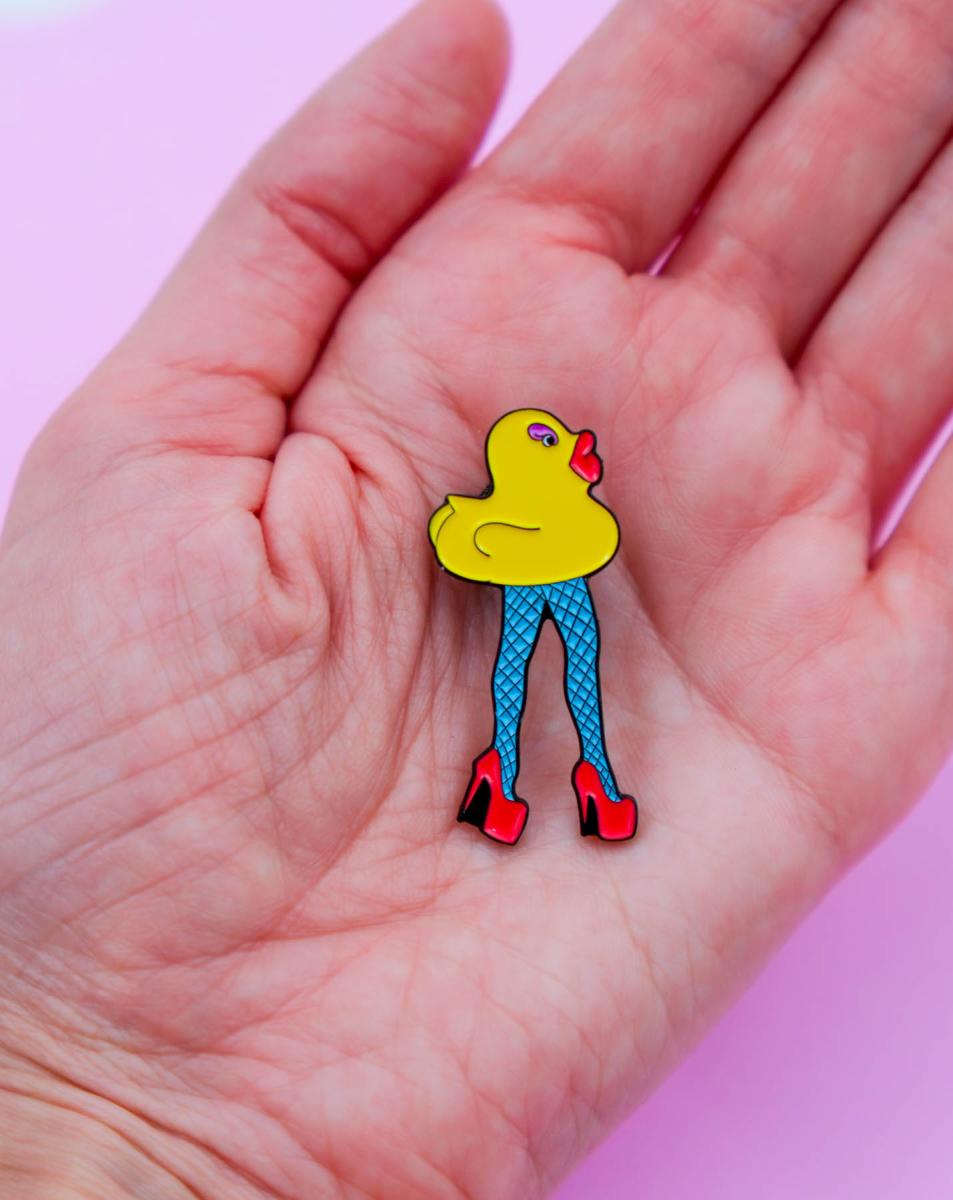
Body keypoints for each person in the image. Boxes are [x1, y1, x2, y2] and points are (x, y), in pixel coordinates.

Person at [2, 0, 952, 1195]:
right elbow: (500, 512)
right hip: (542, 583)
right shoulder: (525, 486)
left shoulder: (538, 486)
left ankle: (547, 779)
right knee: (547, 677)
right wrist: (58, 1045)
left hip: (545, 582)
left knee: (545, 678)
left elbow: (524, 508)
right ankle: (539, 778)